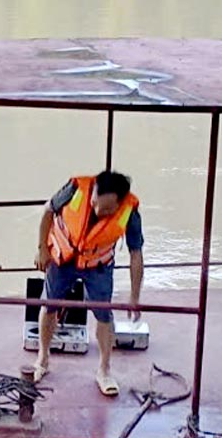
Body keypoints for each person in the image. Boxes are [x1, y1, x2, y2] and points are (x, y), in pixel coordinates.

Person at [32, 170, 144, 397]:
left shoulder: (130, 212)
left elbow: (136, 254)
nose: (97, 212)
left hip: (98, 266)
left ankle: (104, 370)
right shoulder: (75, 188)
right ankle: (42, 359)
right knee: (49, 304)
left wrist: (134, 297)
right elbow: (47, 211)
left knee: (104, 315)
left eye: (106, 210)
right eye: (95, 204)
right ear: (92, 192)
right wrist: (42, 249)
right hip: (62, 258)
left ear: (119, 204)